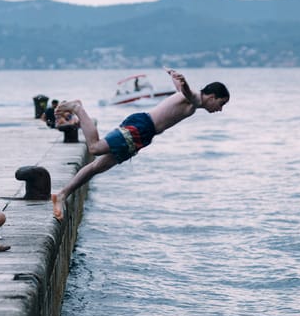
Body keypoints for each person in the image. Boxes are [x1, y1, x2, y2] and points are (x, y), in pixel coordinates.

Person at [51, 68, 229, 220]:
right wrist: (184, 84)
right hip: (141, 127)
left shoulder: (191, 101)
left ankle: (62, 195)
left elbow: (182, 92)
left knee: (97, 167)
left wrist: (175, 78)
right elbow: (188, 94)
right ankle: (77, 109)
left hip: (144, 134)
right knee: (95, 148)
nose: (220, 109)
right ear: (212, 97)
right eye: (221, 104)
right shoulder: (195, 99)